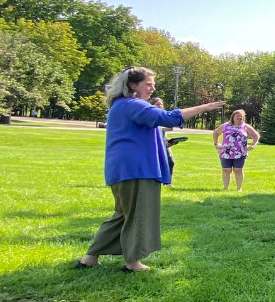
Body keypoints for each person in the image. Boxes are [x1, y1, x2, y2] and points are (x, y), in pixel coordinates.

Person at [75, 67, 223, 272]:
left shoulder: (123, 105)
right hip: (137, 170)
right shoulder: (132, 105)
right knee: (138, 215)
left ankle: (90, 258)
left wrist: (154, 112)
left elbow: (145, 130)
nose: (153, 88)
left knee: (123, 214)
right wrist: (204, 107)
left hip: (123, 170)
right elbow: (170, 119)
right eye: (148, 84)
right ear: (132, 85)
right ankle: (133, 263)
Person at [213, 109, 259, 193]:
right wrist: (216, 143)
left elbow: (256, 135)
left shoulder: (246, 127)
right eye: (237, 116)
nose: (240, 118)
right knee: (226, 170)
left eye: (241, 116)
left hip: (240, 152)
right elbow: (216, 133)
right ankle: (225, 188)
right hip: (226, 152)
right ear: (233, 117)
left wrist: (253, 145)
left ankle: (239, 188)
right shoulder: (225, 126)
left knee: (238, 170)